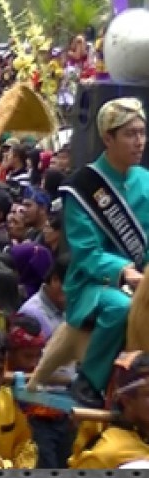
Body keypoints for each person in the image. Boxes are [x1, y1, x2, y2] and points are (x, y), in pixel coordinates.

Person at [58, 98, 149, 408]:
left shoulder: (146, 180)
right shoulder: (82, 187)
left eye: (142, 132)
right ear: (108, 138)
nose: (139, 142)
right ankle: (90, 381)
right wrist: (124, 270)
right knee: (121, 308)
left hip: (142, 277)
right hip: (93, 284)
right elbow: (86, 252)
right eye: (130, 134)